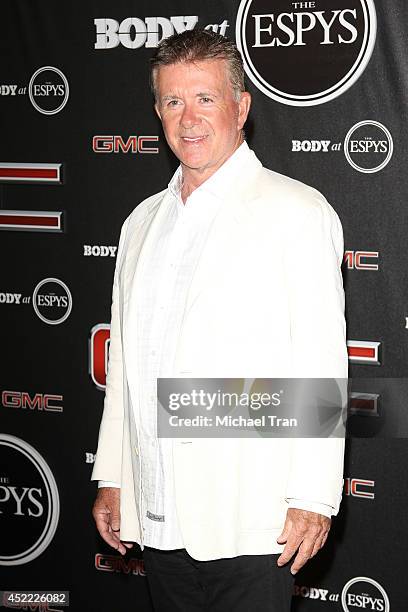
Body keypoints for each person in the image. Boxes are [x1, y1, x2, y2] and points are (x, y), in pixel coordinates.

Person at [91, 28, 348, 611]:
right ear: (157, 111)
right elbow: (124, 367)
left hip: (253, 518)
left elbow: (320, 363)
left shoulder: (297, 212)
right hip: (157, 513)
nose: (189, 119)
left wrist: (313, 495)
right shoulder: (140, 223)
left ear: (241, 106)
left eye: (205, 99)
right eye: (174, 102)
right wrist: (114, 476)